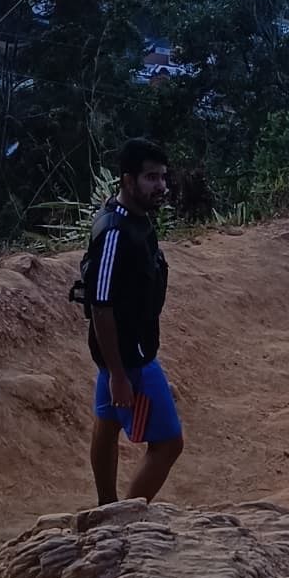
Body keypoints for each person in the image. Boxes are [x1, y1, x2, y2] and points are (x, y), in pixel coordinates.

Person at [82, 137, 183, 505]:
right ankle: (122, 514)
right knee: (170, 443)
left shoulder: (137, 222)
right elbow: (101, 305)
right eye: (151, 178)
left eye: (162, 178)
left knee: (107, 425)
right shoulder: (114, 233)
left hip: (125, 355)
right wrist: (120, 375)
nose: (161, 186)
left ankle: (105, 508)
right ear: (128, 180)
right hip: (132, 360)